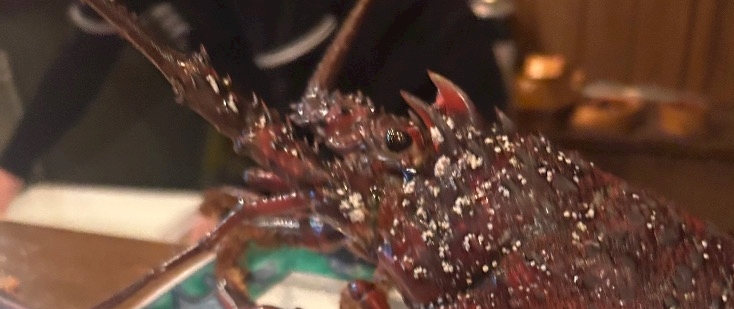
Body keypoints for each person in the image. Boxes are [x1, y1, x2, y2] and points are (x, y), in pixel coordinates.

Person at [0, 0, 511, 216]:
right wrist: (12, 165)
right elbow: (83, 59)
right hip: (321, 98)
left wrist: (258, 201)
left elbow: (303, 94)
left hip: (428, 72)